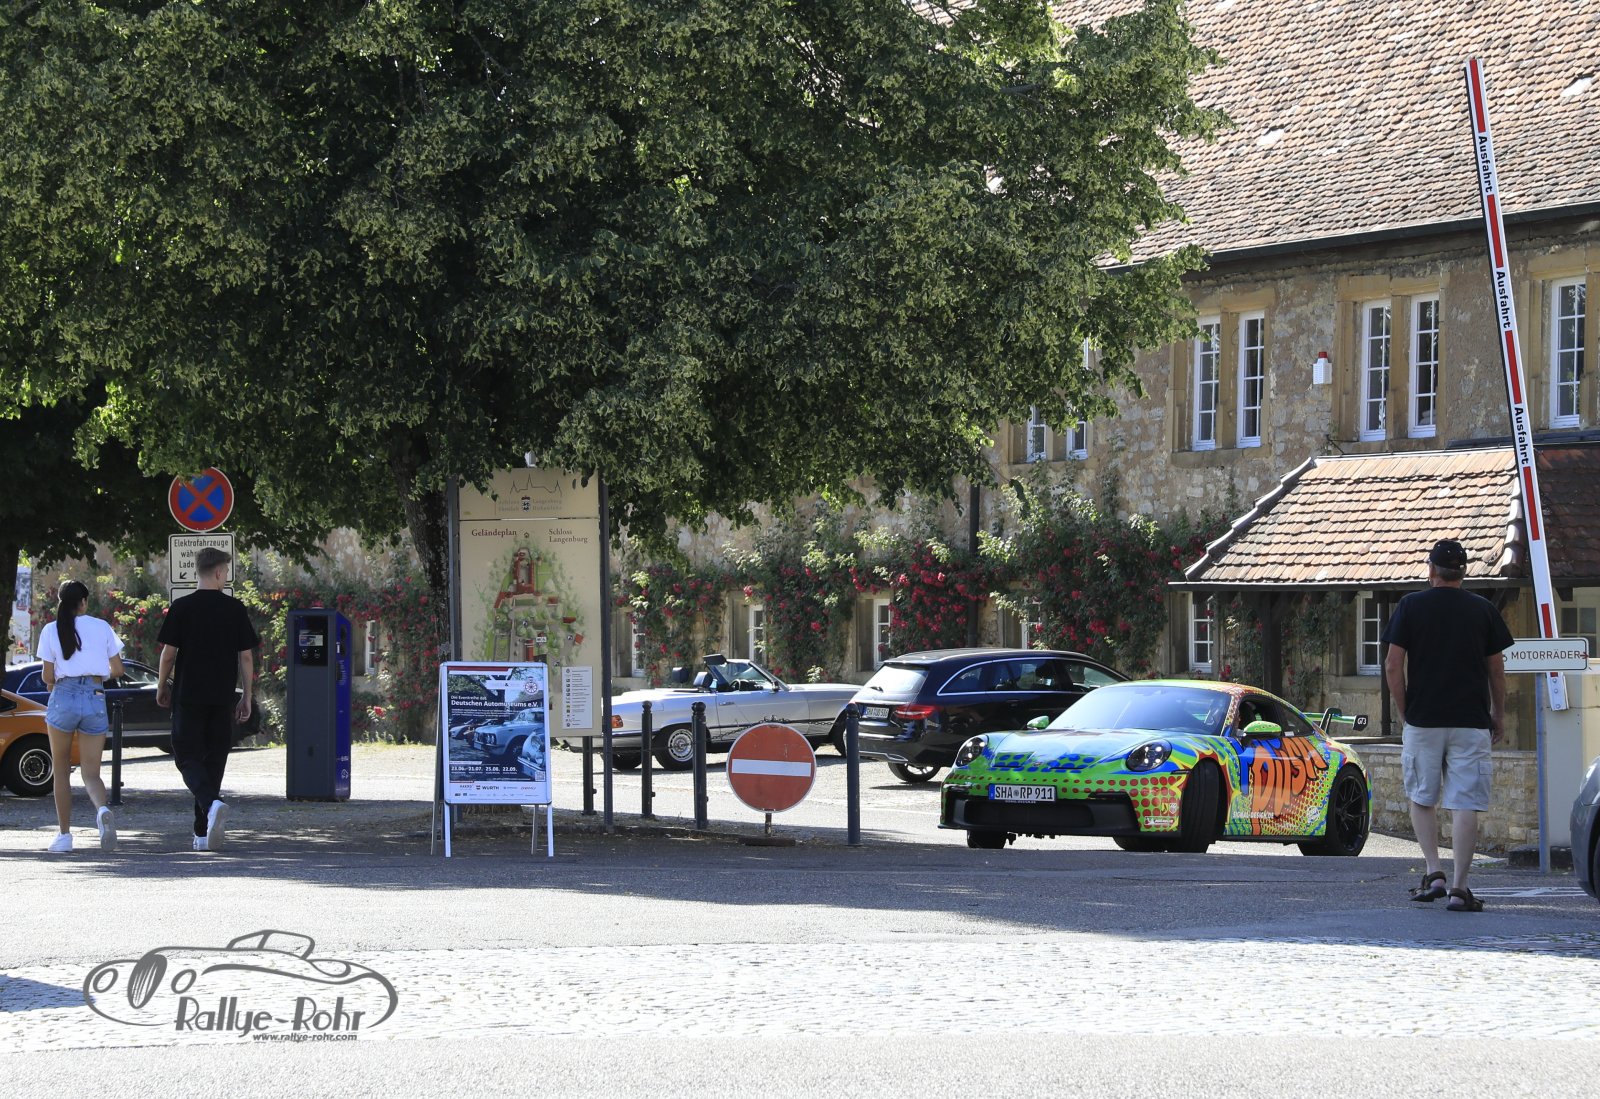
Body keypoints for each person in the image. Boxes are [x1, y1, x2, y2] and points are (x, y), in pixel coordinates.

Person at [1382, 538, 1513, 913]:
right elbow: (1496, 670)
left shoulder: (1411, 606)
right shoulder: (1483, 609)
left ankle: (1433, 872)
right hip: (1471, 721)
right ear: (1463, 573)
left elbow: (1392, 665)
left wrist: (1405, 711)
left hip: (1424, 719)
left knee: (1422, 797)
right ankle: (1459, 888)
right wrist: (1498, 714)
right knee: (1465, 803)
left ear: (1431, 571)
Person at [156, 547, 259, 852]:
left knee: (187, 756)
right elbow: (246, 657)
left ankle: (211, 806)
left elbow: (168, 654)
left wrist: (161, 685)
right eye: (226, 572)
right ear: (217, 572)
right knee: (214, 759)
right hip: (222, 696)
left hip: (188, 695)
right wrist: (247, 696)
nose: (226, 577)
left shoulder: (181, 607)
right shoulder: (235, 609)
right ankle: (202, 831)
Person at [36, 580, 126, 853]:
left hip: (63, 697)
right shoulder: (101, 627)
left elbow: (47, 676)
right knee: (91, 773)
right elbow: (118, 669)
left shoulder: (50, 630)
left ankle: (64, 836)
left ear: (61, 602)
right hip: (95, 697)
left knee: (61, 769)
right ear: (84, 602)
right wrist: (96, 676)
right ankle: (102, 810)